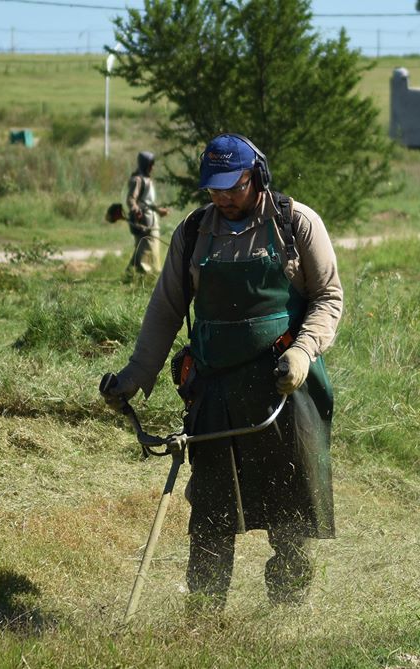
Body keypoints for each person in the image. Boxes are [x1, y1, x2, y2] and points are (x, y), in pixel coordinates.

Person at [102, 133, 343, 612]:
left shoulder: (295, 223)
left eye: (233, 185)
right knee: (211, 511)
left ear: (256, 176)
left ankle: (288, 612)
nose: (223, 196)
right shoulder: (193, 232)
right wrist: (135, 374)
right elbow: (166, 310)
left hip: (282, 390)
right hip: (213, 391)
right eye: (213, 187)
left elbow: (329, 298)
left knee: (289, 508)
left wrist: (302, 352)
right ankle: (204, 617)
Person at [126, 151, 169, 273]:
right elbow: (131, 199)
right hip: (143, 220)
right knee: (146, 248)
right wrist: (136, 210)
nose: (152, 168)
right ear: (145, 165)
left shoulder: (147, 180)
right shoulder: (137, 180)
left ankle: (132, 272)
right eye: (151, 165)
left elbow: (148, 202)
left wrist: (159, 211)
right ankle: (146, 274)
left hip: (152, 219)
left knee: (150, 247)